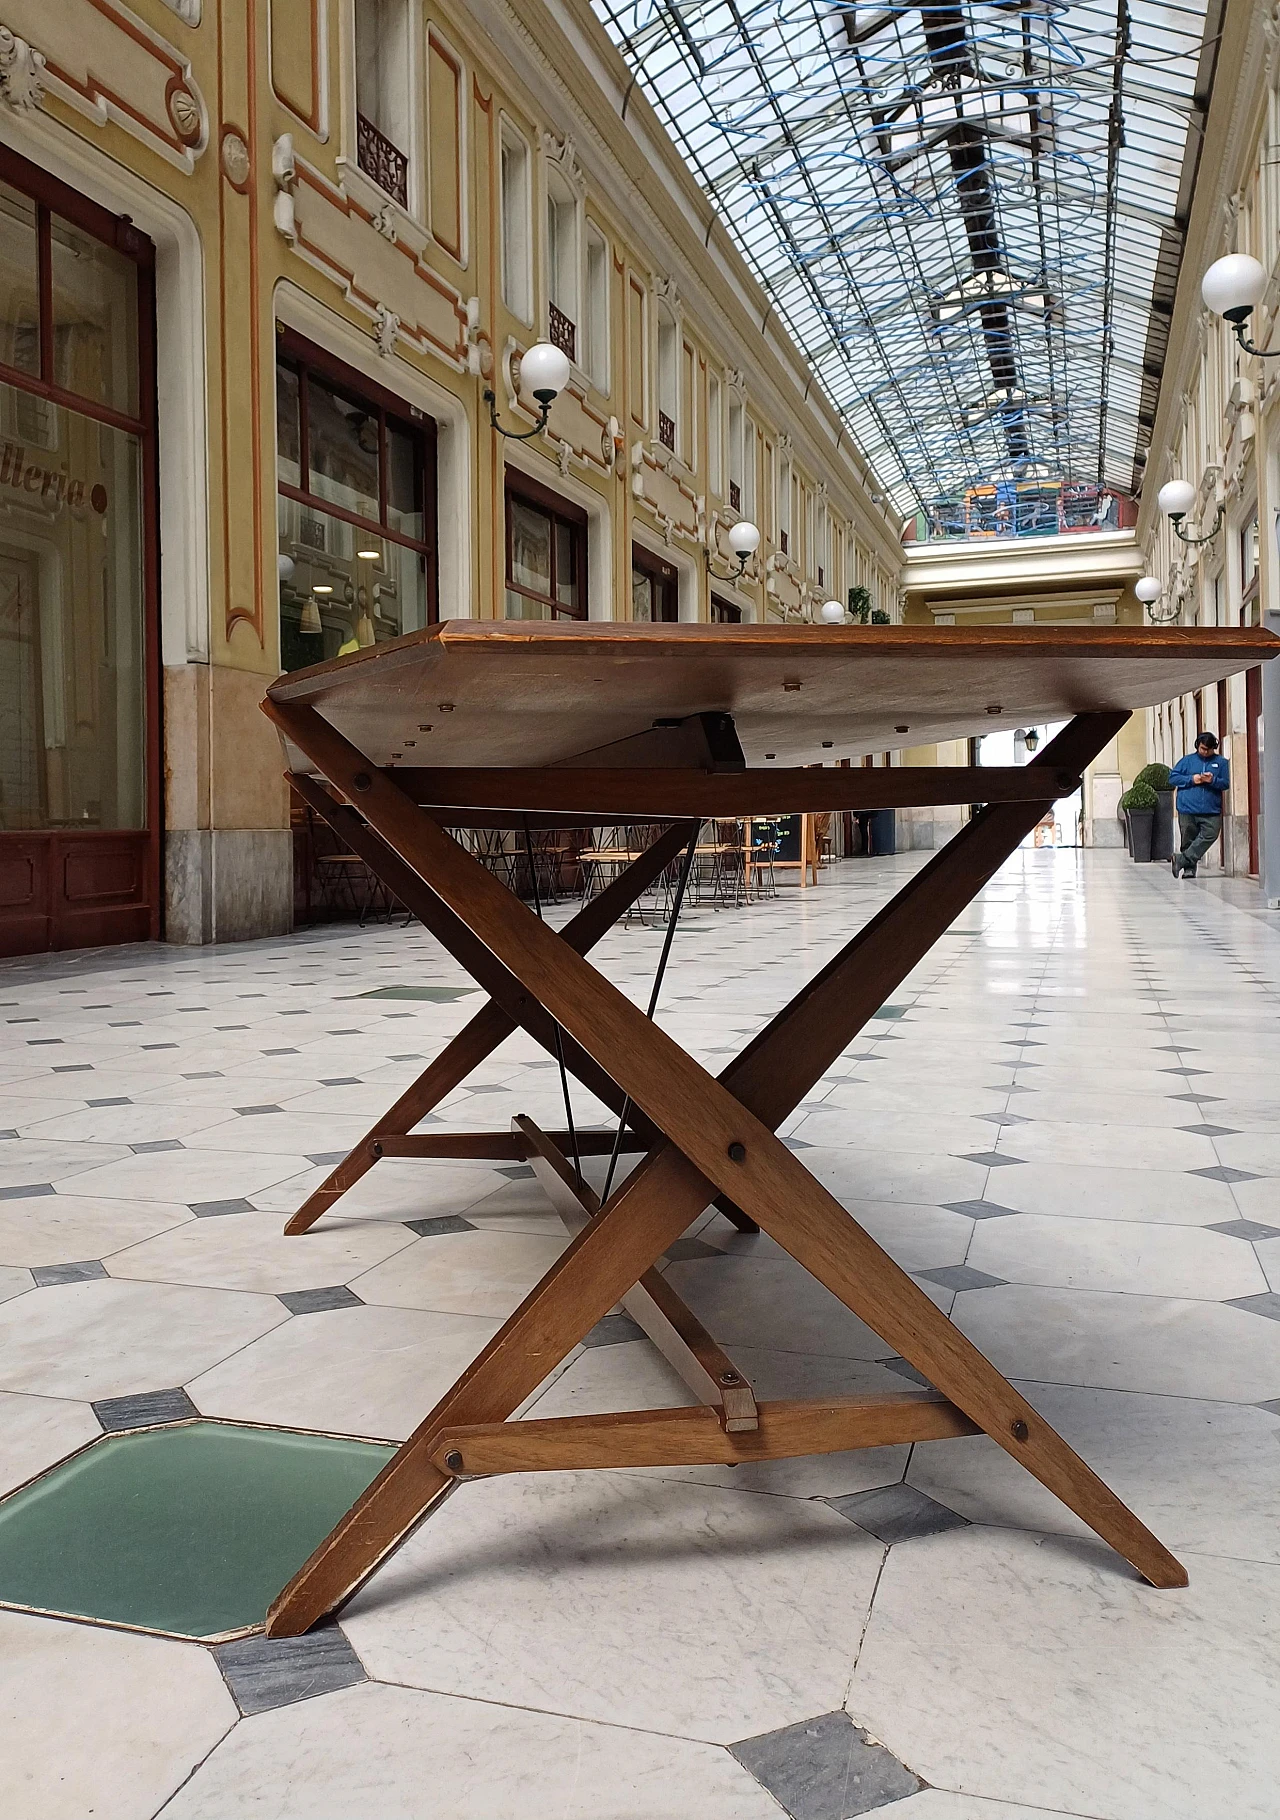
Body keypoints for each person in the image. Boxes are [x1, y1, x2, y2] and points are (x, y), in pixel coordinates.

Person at [1169, 732, 1230, 877]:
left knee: (1211, 834)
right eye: (1202, 748)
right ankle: (1189, 869)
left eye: (1208, 749)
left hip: (1211, 810)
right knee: (1187, 838)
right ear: (1198, 746)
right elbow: (1173, 778)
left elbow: (1226, 783)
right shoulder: (1187, 761)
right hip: (1187, 808)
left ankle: (1181, 859)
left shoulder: (1221, 763)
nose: (1205, 752)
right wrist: (1192, 779)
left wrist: (1212, 780)